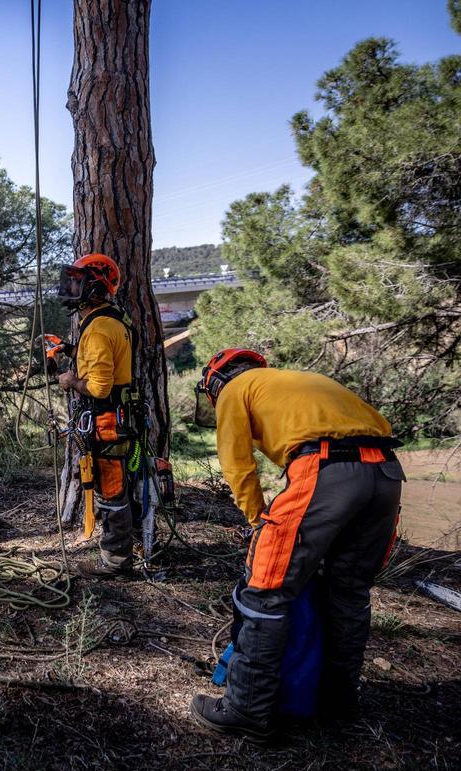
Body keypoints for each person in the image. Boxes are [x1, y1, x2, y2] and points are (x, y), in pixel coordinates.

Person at [188, 349, 404, 741]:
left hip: (326, 468)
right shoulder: (299, 381)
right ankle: (338, 703)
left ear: (217, 382)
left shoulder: (236, 389)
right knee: (349, 591)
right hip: (386, 473)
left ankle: (246, 710)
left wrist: (258, 522)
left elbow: (237, 465)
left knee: (264, 591)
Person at [55, 253, 141, 578]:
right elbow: (101, 359)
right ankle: (122, 550)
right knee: (115, 486)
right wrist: (71, 350)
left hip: (107, 418)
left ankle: (116, 562)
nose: (70, 287)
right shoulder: (109, 320)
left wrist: (69, 381)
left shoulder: (99, 328)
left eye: (78, 281)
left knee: (112, 489)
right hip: (116, 416)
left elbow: (101, 387)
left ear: (94, 286)